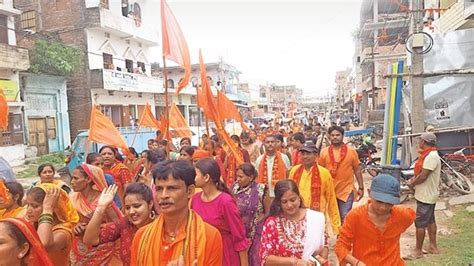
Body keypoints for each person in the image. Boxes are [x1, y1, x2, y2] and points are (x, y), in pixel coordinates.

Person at [131, 160, 223, 265]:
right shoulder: (142, 236)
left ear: (189, 191)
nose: (163, 195)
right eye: (159, 189)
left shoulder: (210, 236)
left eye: (172, 188)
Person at [335, 174, 416, 265]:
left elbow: (415, 216)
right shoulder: (355, 216)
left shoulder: (402, 215)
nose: (383, 207)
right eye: (379, 201)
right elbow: (341, 246)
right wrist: (356, 263)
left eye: (389, 203)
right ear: (369, 193)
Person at [191, 158, 249, 266]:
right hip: (203, 253)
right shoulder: (195, 199)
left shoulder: (225, 202)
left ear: (206, 177)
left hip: (225, 254)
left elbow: (239, 236)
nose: (192, 178)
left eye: (195, 174)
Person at [83, 183, 155, 266]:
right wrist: (101, 207)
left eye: (137, 206)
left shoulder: (161, 224)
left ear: (150, 204)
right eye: (128, 208)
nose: (131, 211)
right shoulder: (125, 224)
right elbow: (90, 240)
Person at [259, 180, 327, 265]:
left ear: (299, 197)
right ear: (279, 203)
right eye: (284, 202)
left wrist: (318, 261)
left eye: (292, 200)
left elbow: (324, 247)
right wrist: (294, 262)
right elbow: (265, 258)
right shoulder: (272, 223)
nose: (289, 205)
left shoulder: (315, 218)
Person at [69, 164, 123, 265]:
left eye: (76, 178)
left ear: (89, 179)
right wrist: (75, 226)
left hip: (102, 248)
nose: (72, 182)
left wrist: (96, 227)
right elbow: (68, 221)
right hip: (79, 248)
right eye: (72, 178)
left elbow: (118, 224)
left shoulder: (104, 200)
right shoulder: (73, 198)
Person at [289, 141, 341, 234]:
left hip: (317, 218)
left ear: (315, 155)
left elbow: (331, 199)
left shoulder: (324, 173)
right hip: (298, 217)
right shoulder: (294, 171)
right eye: (303, 154)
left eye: (308, 153)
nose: (305, 156)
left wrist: (336, 226)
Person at [25, 183, 79, 265]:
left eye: (35, 206)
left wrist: (47, 209)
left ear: (53, 207)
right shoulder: (34, 224)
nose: (29, 210)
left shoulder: (63, 232)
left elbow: (43, 244)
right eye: (28, 205)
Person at [318, 126, 363, 223]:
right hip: (330, 190)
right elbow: (320, 171)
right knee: (336, 217)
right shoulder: (324, 152)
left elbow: (357, 170)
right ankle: (341, 235)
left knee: (345, 215)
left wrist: (361, 187)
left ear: (343, 136)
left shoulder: (351, 151)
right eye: (332, 135)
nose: (335, 137)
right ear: (329, 137)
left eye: (337, 135)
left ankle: (343, 236)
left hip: (346, 190)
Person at [408, 132, 441, 258]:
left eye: (420, 140)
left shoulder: (431, 156)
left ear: (424, 142)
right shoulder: (428, 155)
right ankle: (433, 247)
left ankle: (418, 251)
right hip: (428, 193)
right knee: (430, 219)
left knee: (420, 222)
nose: (418, 142)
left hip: (426, 195)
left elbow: (423, 176)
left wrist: (412, 184)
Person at [232, 163, 271, 266]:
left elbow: (268, 211)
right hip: (238, 230)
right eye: (237, 176)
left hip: (256, 232)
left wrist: (258, 221)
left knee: (254, 259)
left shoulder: (261, 190)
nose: (238, 179)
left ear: (251, 177)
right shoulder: (234, 188)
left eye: (241, 176)